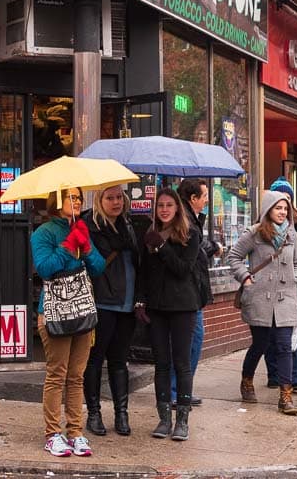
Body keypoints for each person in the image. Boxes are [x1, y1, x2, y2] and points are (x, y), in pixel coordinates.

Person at [31, 187, 106, 458]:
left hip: (82, 309)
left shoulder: (82, 228)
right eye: (70, 197)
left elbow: (98, 267)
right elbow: (45, 268)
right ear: (57, 200)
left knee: (76, 376)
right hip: (54, 313)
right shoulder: (44, 233)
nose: (76, 202)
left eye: (78, 197)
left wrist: (85, 247)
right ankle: (53, 434)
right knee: (57, 374)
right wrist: (67, 247)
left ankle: (75, 432)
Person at [227, 190, 297, 415]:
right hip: (260, 297)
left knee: (284, 346)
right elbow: (234, 256)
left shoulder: (292, 234)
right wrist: (246, 278)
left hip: (285, 297)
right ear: (268, 210)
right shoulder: (255, 233)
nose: (282, 212)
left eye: (285, 209)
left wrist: (296, 278)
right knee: (260, 344)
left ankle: (285, 396)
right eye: (278, 208)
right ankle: (247, 380)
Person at [136, 188, 201, 441]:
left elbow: (183, 270)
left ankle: (182, 420)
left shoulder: (190, 234)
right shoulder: (149, 235)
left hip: (183, 306)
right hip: (157, 307)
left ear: (177, 208)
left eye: (169, 205)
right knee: (161, 364)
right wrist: (140, 301)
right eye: (160, 205)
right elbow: (143, 272)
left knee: (181, 363)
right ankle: (164, 419)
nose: (164, 209)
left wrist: (162, 246)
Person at [82, 186, 142, 437]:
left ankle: (122, 413)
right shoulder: (90, 225)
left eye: (119, 197)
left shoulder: (129, 223)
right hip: (103, 301)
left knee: (119, 360)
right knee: (95, 359)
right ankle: (94, 413)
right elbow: (91, 263)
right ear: (100, 200)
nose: (116, 202)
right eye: (110, 198)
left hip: (128, 303)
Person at [170, 178, 217, 407]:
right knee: (189, 340)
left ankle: (181, 389)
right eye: (205, 196)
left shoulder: (191, 218)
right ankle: (176, 390)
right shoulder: (184, 220)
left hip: (193, 289)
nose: (207, 200)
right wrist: (213, 247)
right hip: (186, 291)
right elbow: (193, 252)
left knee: (192, 340)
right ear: (193, 199)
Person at [264, 177, 297, 391]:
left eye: (287, 199)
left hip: (291, 285)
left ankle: (295, 376)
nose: (284, 206)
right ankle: (274, 374)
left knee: (294, 331)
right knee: (270, 334)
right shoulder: (260, 229)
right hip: (268, 287)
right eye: (279, 200)